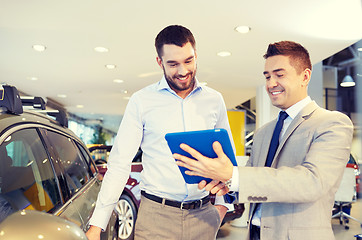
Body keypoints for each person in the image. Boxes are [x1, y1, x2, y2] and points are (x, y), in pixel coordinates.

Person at [174, 41, 354, 240]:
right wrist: (228, 184)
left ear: (305, 76)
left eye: (279, 74)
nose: (270, 84)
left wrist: (234, 174)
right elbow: (251, 180)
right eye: (267, 76)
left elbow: (312, 182)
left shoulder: (332, 123)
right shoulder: (263, 133)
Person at [86, 25, 234, 240]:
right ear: (159, 62)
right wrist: (97, 225)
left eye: (188, 61)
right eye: (173, 64)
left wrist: (221, 207)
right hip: (156, 217)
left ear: (195, 55)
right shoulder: (142, 101)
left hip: (204, 216)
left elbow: (225, 159)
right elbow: (120, 164)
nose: (182, 71)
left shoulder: (214, 100)